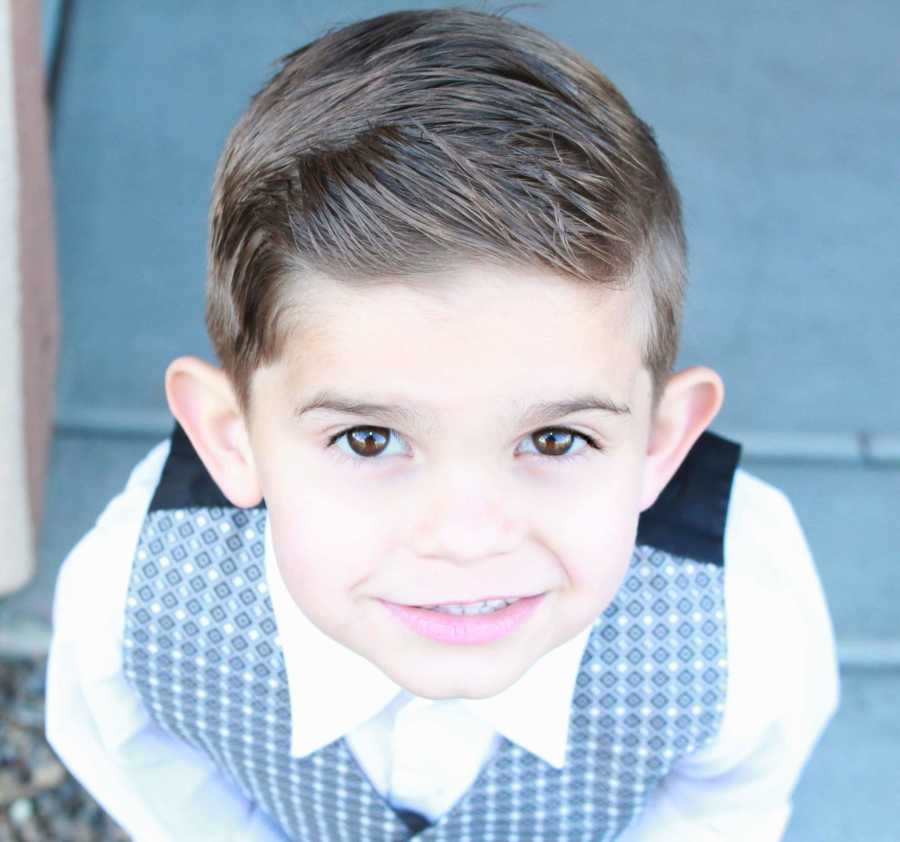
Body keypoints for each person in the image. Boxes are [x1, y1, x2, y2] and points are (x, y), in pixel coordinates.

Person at [45, 7, 840, 840]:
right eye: (369, 439)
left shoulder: (741, 627)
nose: (465, 538)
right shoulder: (134, 603)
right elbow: (154, 781)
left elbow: (728, 800)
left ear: (661, 442)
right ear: (229, 438)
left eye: (555, 439)